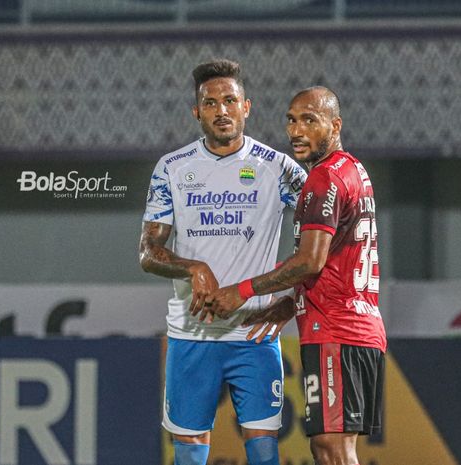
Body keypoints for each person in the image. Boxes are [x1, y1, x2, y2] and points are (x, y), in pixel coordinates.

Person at [139, 59, 306, 465]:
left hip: (254, 335)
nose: (222, 110)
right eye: (210, 103)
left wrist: (292, 301)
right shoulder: (173, 169)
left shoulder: (278, 168)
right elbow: (148, 253)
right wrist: (193, 267)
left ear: (247, 106)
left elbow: (325, 241)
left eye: (230, 100)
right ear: (197, 112)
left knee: (265, 453)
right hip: (191, 334)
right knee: (189, 453)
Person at [209, 86, 387, 465]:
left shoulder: (323, 178)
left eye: (310, 120)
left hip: (336, 332)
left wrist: (242, 290)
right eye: (291, 120)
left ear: (335, 125)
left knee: (332, 448)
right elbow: (334, 259)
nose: (297, 130)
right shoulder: (352, 169)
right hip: (358, 326)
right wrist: (291, 303)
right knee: (335, 447)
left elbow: (309, 261)